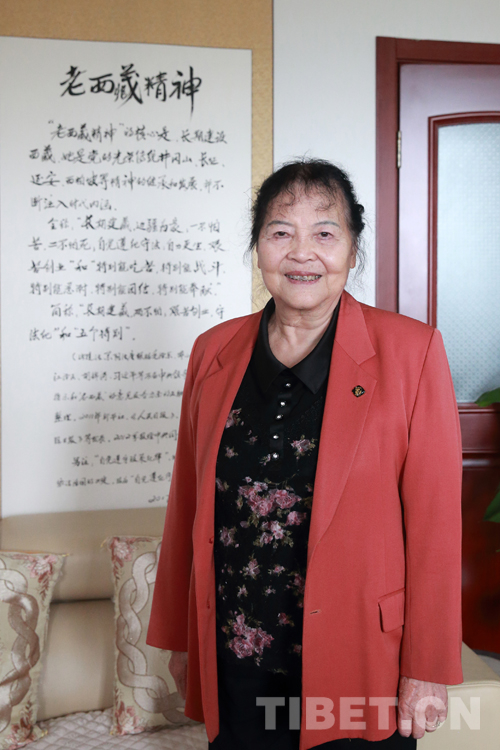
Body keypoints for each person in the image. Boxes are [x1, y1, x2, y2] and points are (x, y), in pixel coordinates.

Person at [147, 160, 463, 750]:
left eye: (324, 232)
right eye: (280, 232)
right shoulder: (213, 351)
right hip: (238, 657)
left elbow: (435, 526)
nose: (302, 253)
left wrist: (428, 665)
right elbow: (186, 504)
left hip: (360, 659)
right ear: (258, 247)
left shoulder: (411, 352)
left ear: (352, 248)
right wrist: (182, 640)